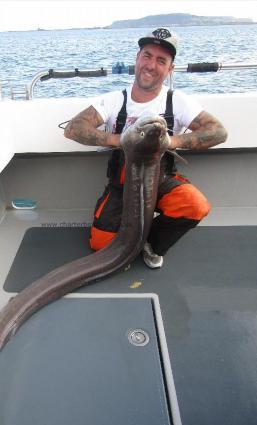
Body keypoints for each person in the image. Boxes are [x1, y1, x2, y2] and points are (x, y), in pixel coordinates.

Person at [64, 27, 228, 268]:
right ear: (137, 58)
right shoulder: (114, 100)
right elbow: (73, 128)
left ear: (170, 69)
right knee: (101, 244)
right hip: (124, 185)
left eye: (161, 60)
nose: (151, 65)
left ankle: (152, 243)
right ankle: (129, 235)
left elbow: (219, 131)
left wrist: (172, 142)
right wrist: (122, 139)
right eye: (147, 56)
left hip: (161, 180)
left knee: (196, 205)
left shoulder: (178, 101)